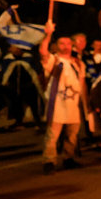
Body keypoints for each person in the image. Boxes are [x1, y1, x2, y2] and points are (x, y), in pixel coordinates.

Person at [39, 22, 89, 174]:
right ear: (56, 45)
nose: (66, 46)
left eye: (68, 43)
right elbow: (43, 52)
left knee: (72, 135)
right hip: (57, 105)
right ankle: (49, 161)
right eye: (62, 43)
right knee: (52, 136)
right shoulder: (54, 60)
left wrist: (86, 105)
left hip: (73, 105)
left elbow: (82, 84)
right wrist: (48, 35)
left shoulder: (78, 63)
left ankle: (68, 158)